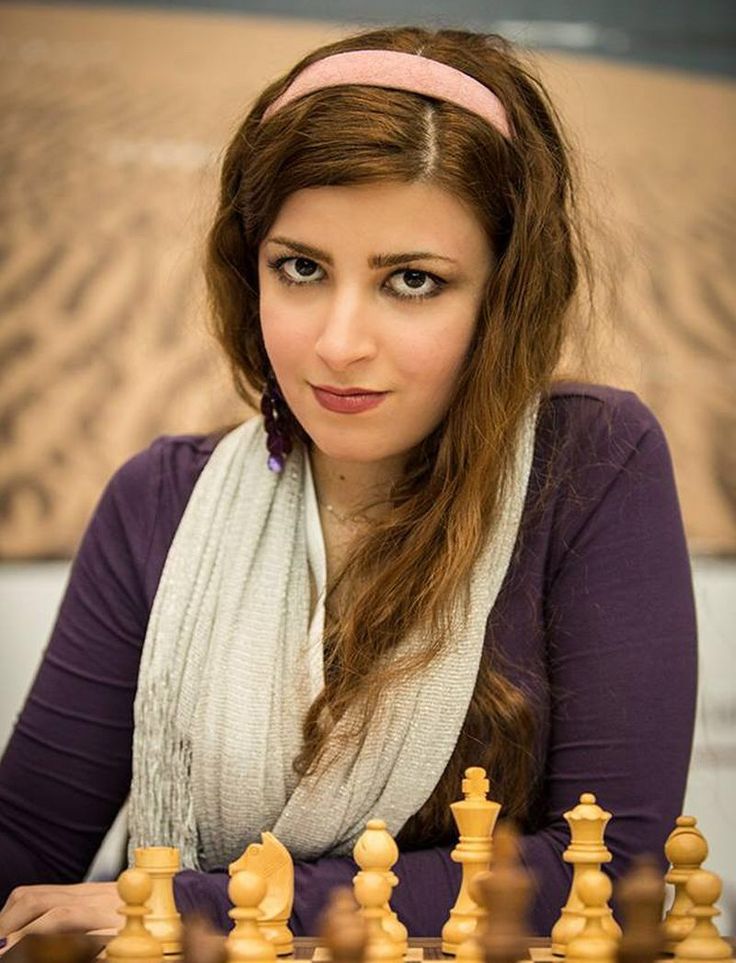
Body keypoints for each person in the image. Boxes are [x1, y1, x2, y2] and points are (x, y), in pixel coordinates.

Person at [0, 24, 697, 952]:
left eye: (411, 280)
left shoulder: (590, 465)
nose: (338, 344)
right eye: (301, 268)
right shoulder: (160, 502)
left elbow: (607, 865)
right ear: (247, 267)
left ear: (505, 297)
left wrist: (203, 902)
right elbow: (27, 845)